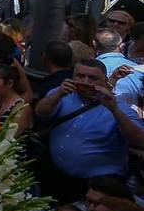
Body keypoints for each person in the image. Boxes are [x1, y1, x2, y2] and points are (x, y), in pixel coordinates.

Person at [36, 58, 144, 203]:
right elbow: (40, 112)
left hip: (97, 186)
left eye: (93, 78)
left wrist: (114, 110)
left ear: (105, 81)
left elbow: (140, 141)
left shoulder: (119, 107)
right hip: (57, 176)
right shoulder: (62, 94)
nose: (86, 82)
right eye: (80, 76)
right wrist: (58, 94)